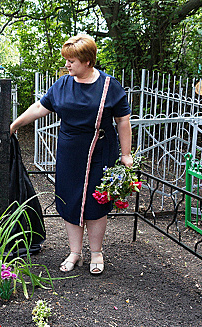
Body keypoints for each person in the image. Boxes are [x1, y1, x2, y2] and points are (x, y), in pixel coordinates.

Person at [10, 34, 132, 275]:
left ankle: (96, 252)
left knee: (96, 202)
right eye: (66, 60)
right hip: (69, 152)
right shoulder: (63, 84)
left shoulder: (109, 85)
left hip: (100, 151)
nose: (67, 65)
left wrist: (126, 154)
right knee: (70, 199)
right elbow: (39, 107)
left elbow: (123, 121)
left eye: (72, 61)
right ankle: (75, 252)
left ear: (88, 61)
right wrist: (14, 125)